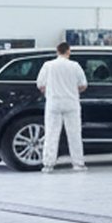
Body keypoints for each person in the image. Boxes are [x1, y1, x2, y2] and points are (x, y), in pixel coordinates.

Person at [34, 42, 89, 173]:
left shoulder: (48, 65)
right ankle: (78, 164)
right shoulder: (75, 66)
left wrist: (49, 90)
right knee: (74, 134)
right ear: (68, 51)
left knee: (51, 134)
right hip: (71, 103)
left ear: (57, 51)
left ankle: (48, 164)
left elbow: (40, 84)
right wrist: (73, 90)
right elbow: (83, 85)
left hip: (53, 103)